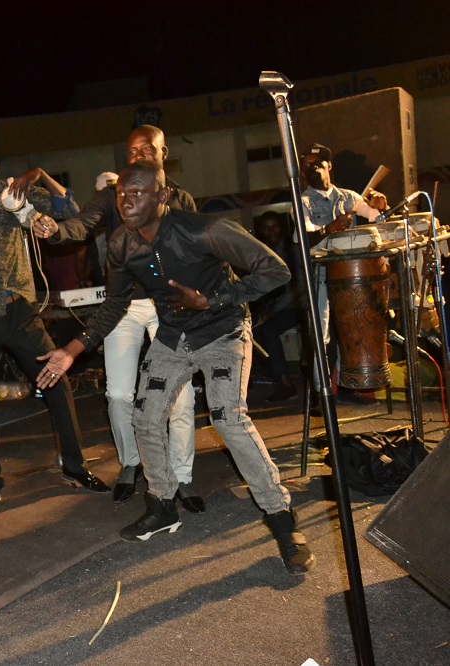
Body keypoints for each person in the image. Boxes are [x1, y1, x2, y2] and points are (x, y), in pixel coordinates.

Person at [37, 161, 315, 575]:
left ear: (163, 197)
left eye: (138, 193)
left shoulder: (204, 229)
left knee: (229, 419)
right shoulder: (120, 245)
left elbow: (276, 270)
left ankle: (281, 517)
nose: (127, 200)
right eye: (122, 194)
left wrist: (215, 300)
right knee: (145, 416)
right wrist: (73, 350)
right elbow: (115, 305)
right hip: (174, 336)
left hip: (222, 330)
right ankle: (162, 504)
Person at [0, 130, 110, 517]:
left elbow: (67, 208)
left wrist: (40, 175)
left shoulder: (13, 192)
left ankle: (75, 467)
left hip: (18, 310)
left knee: (56, 381)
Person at [36, 125, 201, 511]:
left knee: (180, 398)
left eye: (149, 148)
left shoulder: (180, 199)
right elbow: (83, 222)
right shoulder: (114, 194)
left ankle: (184, 475)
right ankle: (130, 463)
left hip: (169, 307)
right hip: (122, 305)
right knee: (119, 393)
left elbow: (201, 251)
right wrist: (57, 231)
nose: (140, 153)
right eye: (133, 149)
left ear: (164, 152)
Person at [297, 142, 388, 402]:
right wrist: (329, 229)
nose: (312, 169)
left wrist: (379, 205)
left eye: (317, 164)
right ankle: (322, 392)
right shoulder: (302, 201)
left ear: (329, 166)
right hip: (321, 274)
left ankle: (357, 384)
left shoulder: (349, 197)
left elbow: (375, 217)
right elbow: (302, 238)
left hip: (354, 274)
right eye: (306, 166)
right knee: (321, 335)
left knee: (357, 327)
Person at [252, 210, 302, 402]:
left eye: (274, 226)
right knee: (251, 329)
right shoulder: (265, 252)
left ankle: (286, 384)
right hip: (280, 305)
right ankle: (275, 375)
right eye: (266, 228)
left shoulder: (292, 249)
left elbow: (300, 287)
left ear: (281, 228)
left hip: (299, 306)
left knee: (269, 330)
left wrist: (272, 311)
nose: (271, 231)